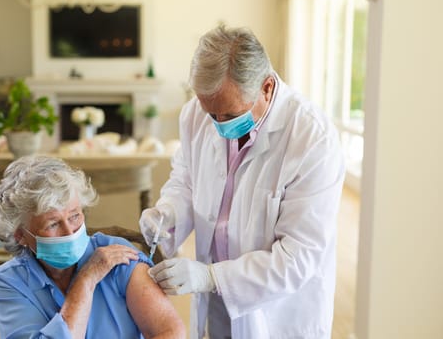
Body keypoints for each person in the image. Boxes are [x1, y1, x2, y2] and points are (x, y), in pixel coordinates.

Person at [139, 25, 345, 338]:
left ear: (266, 87)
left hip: (275, 310)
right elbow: (186, 180)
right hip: (216, 295)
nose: (219, 125)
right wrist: (167, 214)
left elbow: (297, 257)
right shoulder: (196, 114)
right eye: (212, 115)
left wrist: (211, 277)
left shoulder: (312, 138)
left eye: (230, 114)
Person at [0, 155, 185, 339]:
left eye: (74, 216)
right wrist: (86, 280)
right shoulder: (8, 282)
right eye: (53, 224)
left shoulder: (117, 256)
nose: (70, 231)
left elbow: (170, 332)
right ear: (21, 235)